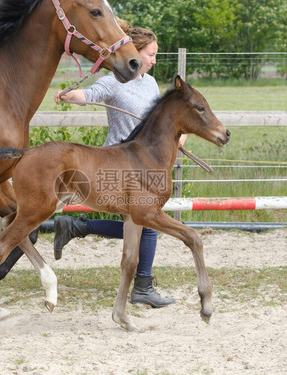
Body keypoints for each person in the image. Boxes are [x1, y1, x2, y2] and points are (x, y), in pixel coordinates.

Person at [54, 20, 186, 308]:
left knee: (141, 223)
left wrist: (179, 134)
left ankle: (78, 227)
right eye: (151, 54)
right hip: (116, 163)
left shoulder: (150, 83)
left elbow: (162, 121)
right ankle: (141, 286)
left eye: (155, 55)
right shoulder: (115, 80)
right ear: (135, 52)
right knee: (146, 223)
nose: (153, 60)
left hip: (145, 165)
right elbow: (89, 95)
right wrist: (69, 96)